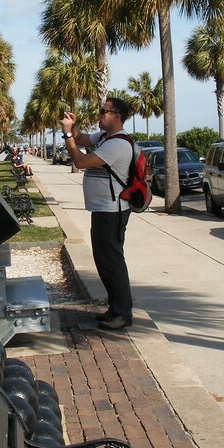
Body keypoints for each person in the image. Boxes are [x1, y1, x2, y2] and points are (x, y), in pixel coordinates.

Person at [59, 97, 134, 330]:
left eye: (105, 112)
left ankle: (122, 314)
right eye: (100, 111)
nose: (100, 115)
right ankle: (114, 309)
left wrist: (68, 136)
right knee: (104, 261)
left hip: (112, 211)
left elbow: (80, 161)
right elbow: (81, 138)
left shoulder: (118, 144)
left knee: (112, 262)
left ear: (117, 116)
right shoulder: (104, 138)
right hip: (102, 209)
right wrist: (73, 128)